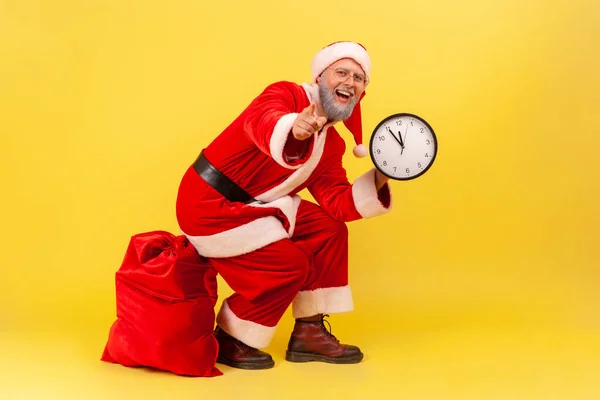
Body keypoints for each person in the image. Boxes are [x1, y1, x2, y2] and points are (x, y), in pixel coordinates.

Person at [175, 41, 392, 370]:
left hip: (260, 205)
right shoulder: (285, 94)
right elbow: (262, 120)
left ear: (362, 93)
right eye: (342, 72)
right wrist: (293, 127)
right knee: (289, 265)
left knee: (329, 230)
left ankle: (309, 332)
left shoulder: (332, 144)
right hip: (209, 203)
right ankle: (233, 337)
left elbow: (338, 202)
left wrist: (382, 175)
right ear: (320, 76)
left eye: (359, 78)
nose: (350, 82)